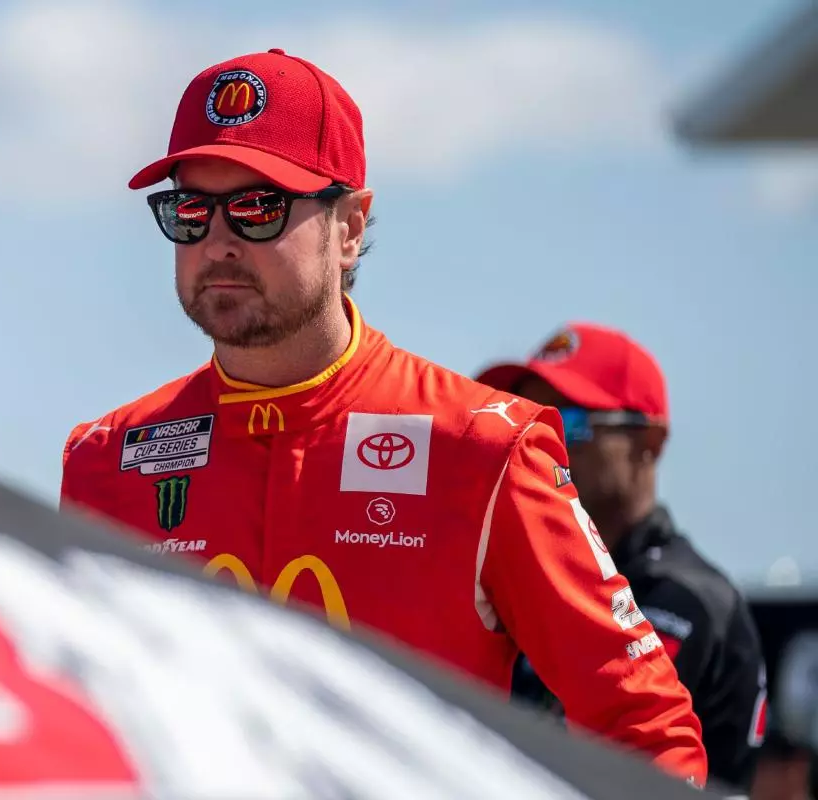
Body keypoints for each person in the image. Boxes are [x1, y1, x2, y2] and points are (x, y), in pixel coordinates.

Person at [59, 48, 707, 785]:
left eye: (258, 207)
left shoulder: (484, 446)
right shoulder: (106, 460)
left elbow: (644, 728)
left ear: (350, 228)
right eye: (190, 211)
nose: (218, 241)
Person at [476, 322, 766, 791]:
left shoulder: (687, 601)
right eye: (528, 418)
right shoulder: (524, 584)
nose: (540, 439)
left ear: (648, 444)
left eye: (568, 423)